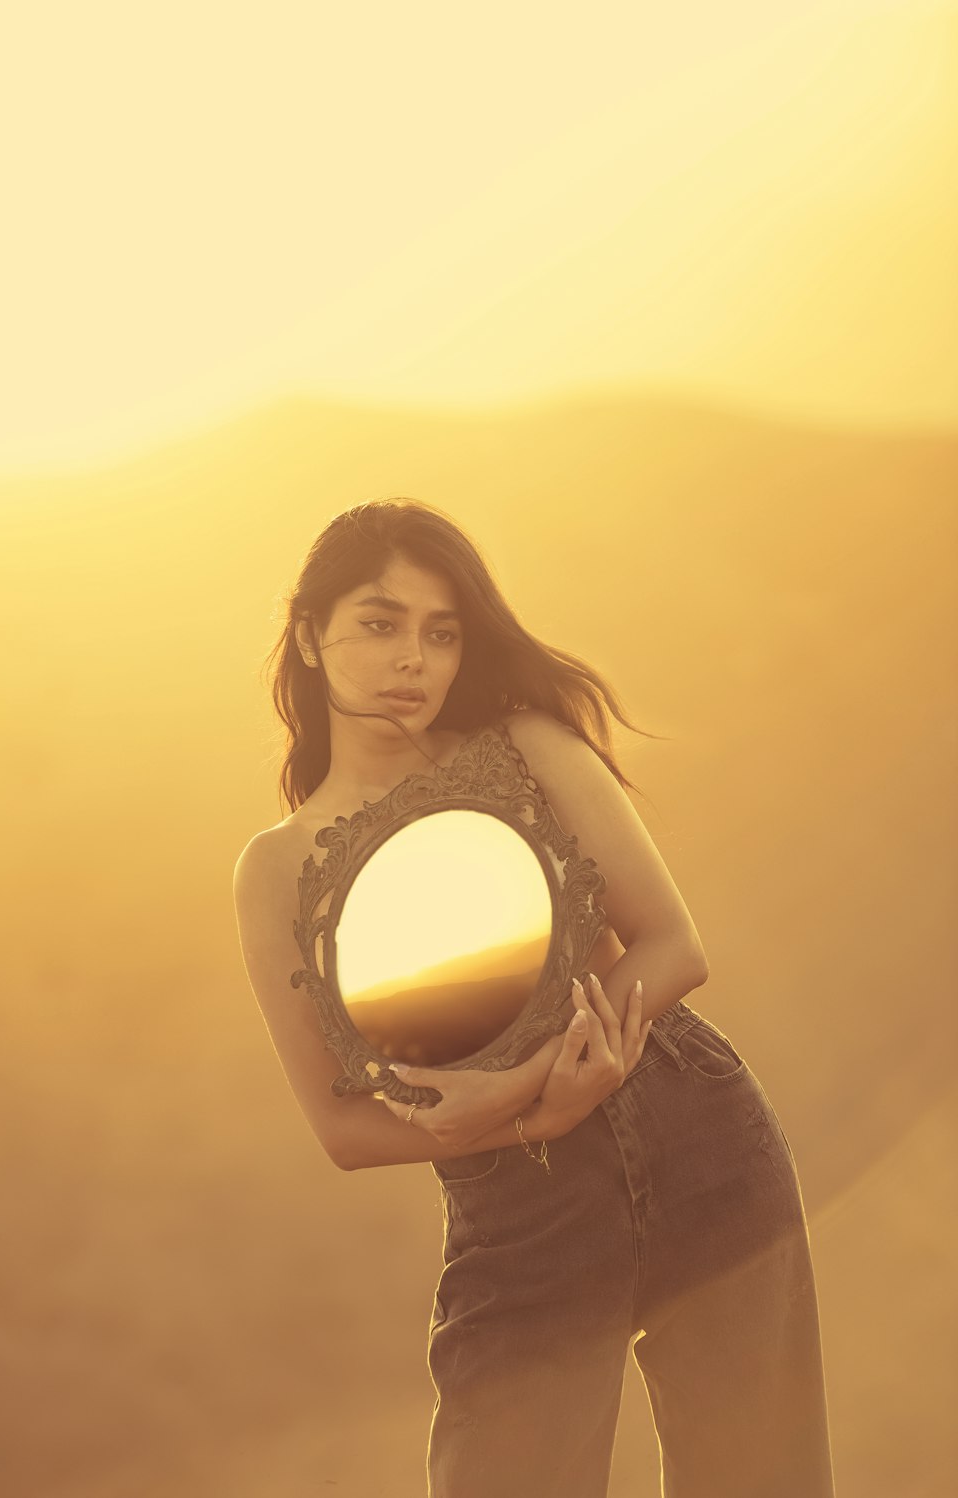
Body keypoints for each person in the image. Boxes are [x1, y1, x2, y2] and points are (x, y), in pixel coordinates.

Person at [232, 497, 837, 1498]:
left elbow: (673, 947)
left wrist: (521, 1087)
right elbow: (342, 1126)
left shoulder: (526, 743)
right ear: (308, 632)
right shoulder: (276, 868)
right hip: (519, 1208)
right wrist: (524, 1118)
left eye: (440, 631)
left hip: (697, 1132)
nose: (412, 659)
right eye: (379, 623)